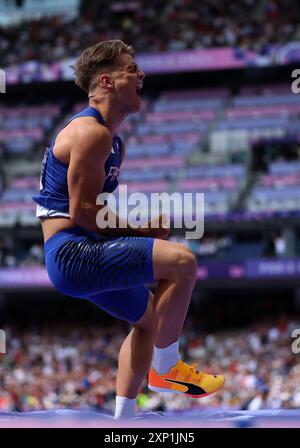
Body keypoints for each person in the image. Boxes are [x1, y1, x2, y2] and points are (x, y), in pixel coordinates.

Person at [32, 40, 225, 420]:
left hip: (76, 249)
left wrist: (135, 230)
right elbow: (84, 211)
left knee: (152, 321)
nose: (141, 75)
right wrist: (144, 231)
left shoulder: (111, 140)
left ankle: (125, 419)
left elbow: (91, 211)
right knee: (183, 262)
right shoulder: (91, 133)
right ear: (106, 81)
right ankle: (166, 369)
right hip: (71, 252)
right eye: (131, 69)